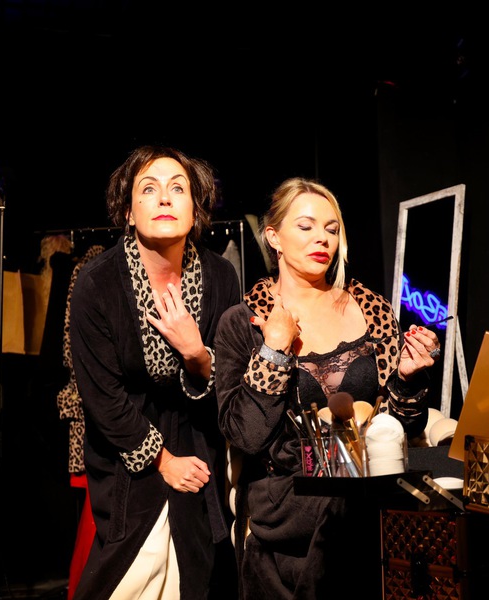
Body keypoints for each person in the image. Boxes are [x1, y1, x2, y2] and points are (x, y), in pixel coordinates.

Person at [214, 177, 441, 599]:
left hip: (368, 485)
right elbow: (246, 435)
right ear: (273, 237)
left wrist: (408, 379)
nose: (322, 238)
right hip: (290, 494)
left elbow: (401, 429)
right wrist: (274, 350)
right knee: (348, 505)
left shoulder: (372, 310)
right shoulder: (243, 322)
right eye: (306, 226)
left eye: (332, 229)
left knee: (446, 487)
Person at [69, 145, 241, 600]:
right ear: (128, 212)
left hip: (199, 437)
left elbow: (231, 378)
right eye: (149, 189)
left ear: (195, 209)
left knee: (199, 573)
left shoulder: (221, 276)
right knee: (132, 572)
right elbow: (102, 396)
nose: (165, 198)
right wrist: (162, 461)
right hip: (126, 450)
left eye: (178, 189)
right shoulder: (97, 283)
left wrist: (196, 353)